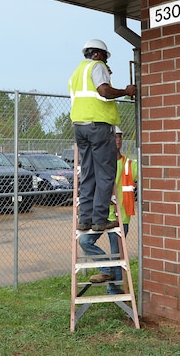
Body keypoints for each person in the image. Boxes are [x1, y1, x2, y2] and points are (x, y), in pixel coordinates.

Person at [68, 39, 136, 232]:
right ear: (97, 54)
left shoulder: (77, 72)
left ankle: (85, 219)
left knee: (88, 173)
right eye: (105, 57)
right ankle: (99, 219)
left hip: (80, 127)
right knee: (105, 174)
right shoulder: (97, 66)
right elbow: (104, 91)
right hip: (98, 126)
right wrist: (125, 90)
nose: (106, 62)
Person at [79, 126, 138, 291]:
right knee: (85, 241)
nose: (117, 140)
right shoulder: (98, 165)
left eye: (119, 137)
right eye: (114, 137)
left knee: (116, 253)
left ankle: (115, 291)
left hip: (121, 216)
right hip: (101, 216)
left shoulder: (129, 165)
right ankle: (106, 270)